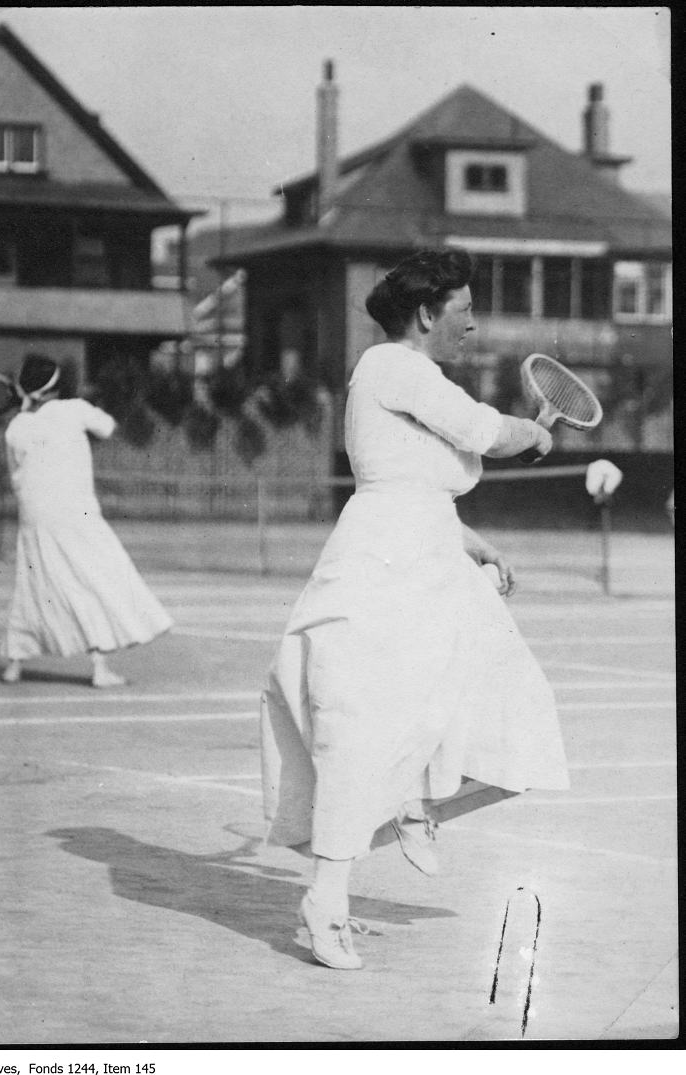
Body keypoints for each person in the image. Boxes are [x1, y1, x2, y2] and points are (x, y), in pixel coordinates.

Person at [260, 248, 570, 971]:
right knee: (363, 729)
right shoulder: (393, 366)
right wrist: (532, 433)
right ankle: (324, 903)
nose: (473, 324)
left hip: (434, 557)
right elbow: (482, 433)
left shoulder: (413, 379)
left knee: (512, 713)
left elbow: (419, 483)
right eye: (463, 310)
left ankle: (417, 805)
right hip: (383, 566)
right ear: (428, 313)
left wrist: (478, 546)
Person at [0, 354, 172, 688]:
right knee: (96, 582)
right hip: (76, 516)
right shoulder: (75, 409)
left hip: (35, 519)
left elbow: (16, 474)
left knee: (34, 588)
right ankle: (100, 668)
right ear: (55, 385)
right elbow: (107, 427)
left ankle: (15, 665)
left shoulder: (16, 427)